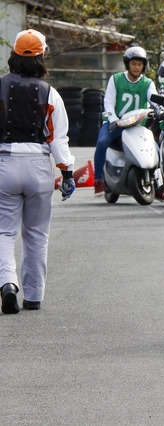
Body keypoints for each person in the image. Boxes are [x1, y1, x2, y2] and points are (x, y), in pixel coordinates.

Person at [0, 29, 75, 314]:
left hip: (4, 164)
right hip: (39, 168)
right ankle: (33, 296)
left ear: (14, 55)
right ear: (42, 56)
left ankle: (8, 284)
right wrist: (67, 172)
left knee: (4, 232)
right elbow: (58, 138)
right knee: (36, 233)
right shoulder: (50, 92)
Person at [93, 46, 157, 196]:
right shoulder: (116, 79)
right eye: (134, 64)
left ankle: (156, 183)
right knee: (102, 142)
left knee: (155, 148)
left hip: (137, 124)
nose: (136, 67)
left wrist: (159, 109)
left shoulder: (147, 83)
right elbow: (108, 102)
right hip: (117, 123)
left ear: (144, 66)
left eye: (140, 64)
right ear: (127, 64)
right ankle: (98, 180)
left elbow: (153, 98)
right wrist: (114, 120)